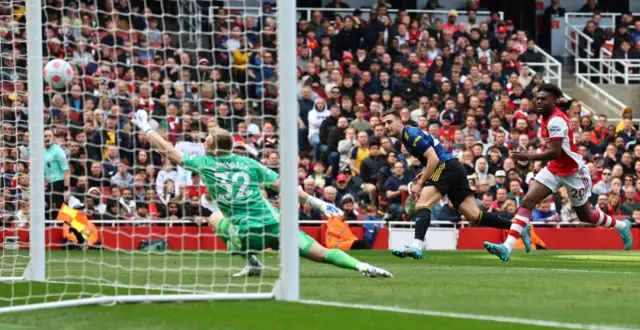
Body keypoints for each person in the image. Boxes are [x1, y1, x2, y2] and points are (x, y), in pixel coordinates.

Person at [131, 110, 391, 278]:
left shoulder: (204, 164)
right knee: (323, 253)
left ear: (211, 146)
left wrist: (146, 127)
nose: (203, 142)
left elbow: (168, 150)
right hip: (277, 227)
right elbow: (286, 187)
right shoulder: (251, 164)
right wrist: (316, 202)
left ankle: (253, 260)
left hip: (246, 235)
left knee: (214, 216)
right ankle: (361, 266)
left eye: (206, 140)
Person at [484, 84, 633, 262]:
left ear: (554, 101)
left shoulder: (556, 121)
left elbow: (555, 152)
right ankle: (506, 247)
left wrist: (529, 156)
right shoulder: (545, 118)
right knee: (527, 201)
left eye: (543, 99)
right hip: (555, 168)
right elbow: (555, 154)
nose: (539, 101)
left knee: (585, 215)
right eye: (537, 98)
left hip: (574, 172)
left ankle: (622, 226)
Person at [381, 110, 520, 260]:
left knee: (423, 203)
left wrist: (420, 183)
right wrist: (426, 172)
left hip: (445, 165)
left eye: (389, 122)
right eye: (384, 124)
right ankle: (518, 227)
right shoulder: (407, 137)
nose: (386, 126)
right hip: (453, 167)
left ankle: (416, 245)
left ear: (400, 122)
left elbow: (434, 159)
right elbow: (431, 157)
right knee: (473, 215)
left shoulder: (410, 136)